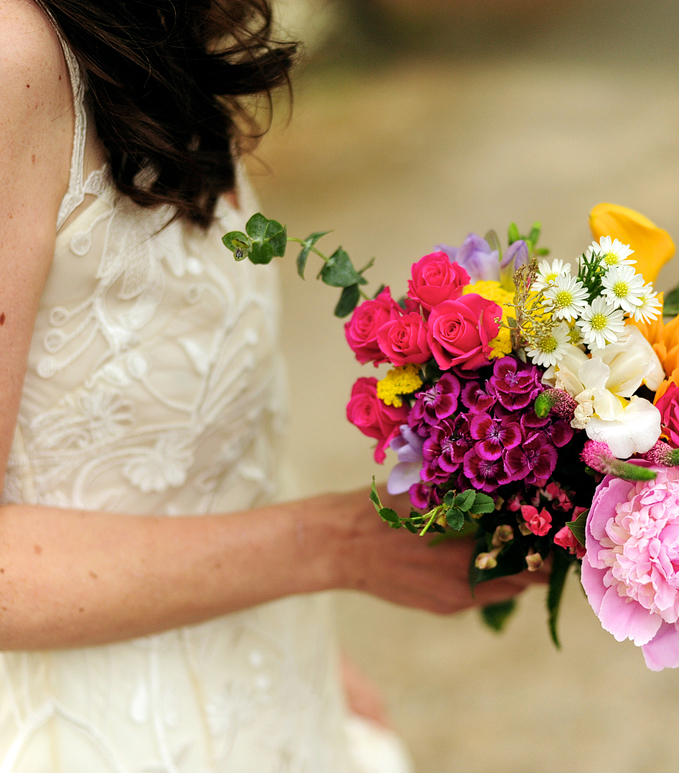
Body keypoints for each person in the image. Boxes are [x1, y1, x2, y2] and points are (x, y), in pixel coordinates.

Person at [0, 1, 542, 769]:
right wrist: (337, 544)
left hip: (271, 702)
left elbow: (216, 446)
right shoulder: (11, 59)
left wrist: (318, 659)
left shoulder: (150, 40)